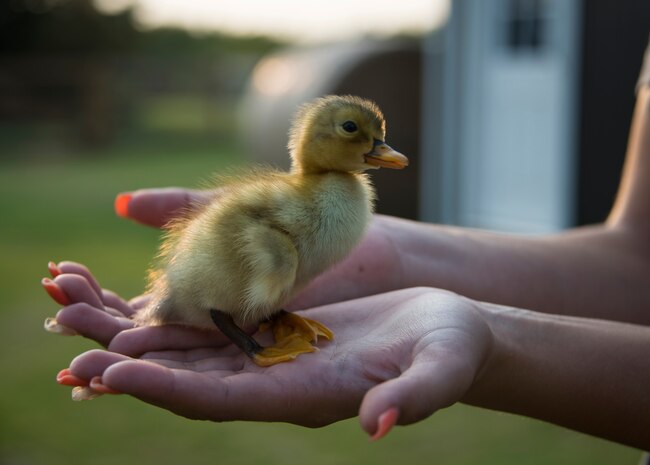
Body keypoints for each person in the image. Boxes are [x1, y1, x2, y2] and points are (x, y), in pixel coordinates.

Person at [43, 42, 650, 450]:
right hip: (228, 284)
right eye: (359, 136)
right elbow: (637, 260)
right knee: (273, 260)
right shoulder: (308, 201)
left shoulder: (322, 199)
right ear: (317, 142)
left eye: (374, 139)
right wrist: (253, 326)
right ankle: (253, 340)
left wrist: (497, 339)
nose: (376, 147)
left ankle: (265, 328)